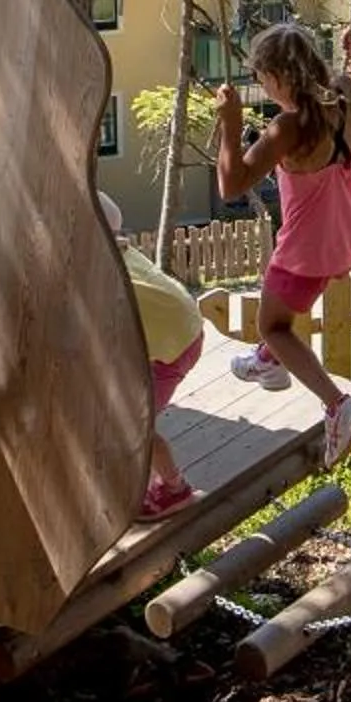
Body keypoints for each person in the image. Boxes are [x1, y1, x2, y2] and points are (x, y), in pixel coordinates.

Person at [214, 19, 351, 469]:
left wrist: (229, 125)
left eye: (263, 78)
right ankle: (269, 363)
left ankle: (338, 406)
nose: (262, 86)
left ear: (280, 77)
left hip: (306, 248)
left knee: (275, 325)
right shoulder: (343, 94)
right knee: (285, 318)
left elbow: (231, 185)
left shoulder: (287, 127)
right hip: (343, 235)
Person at [96, 192, 210, 523]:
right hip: (181, 329)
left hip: (170, 348)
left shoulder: (98, 265)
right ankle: (142, 483)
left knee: (133, 423)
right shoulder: (117, 248)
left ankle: (174, 489)